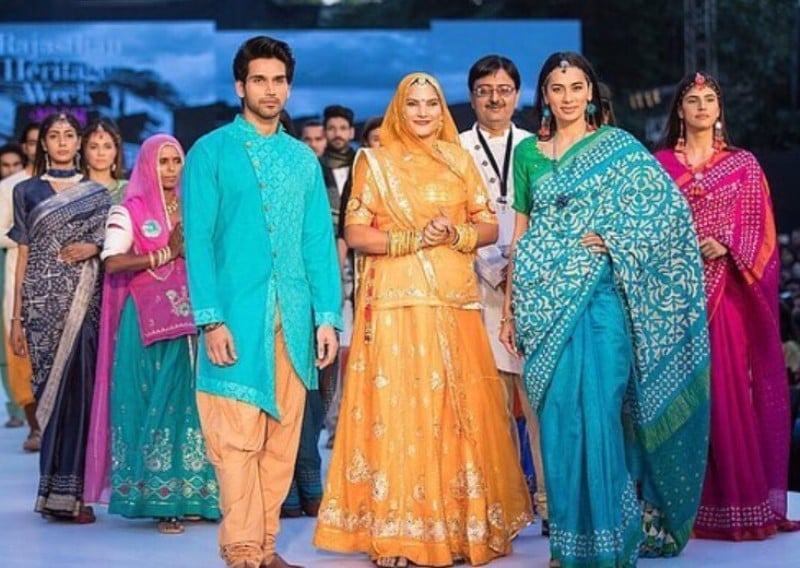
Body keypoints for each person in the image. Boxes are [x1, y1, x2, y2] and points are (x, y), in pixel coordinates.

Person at [314, 72, 532, 568]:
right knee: (403, 412)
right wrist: (410, 239)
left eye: (431, 103)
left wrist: (453, 232)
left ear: (442, 108)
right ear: (398, 108)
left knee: (457, 412)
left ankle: (461, 527)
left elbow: (488, 224)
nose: (423, 112)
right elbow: (355, 229)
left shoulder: (459, 160)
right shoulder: (375, 161)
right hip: (396, 303)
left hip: (453, 302)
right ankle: (400, 533)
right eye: (412, 104)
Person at [502, 53, 710, 567]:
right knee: (558, 423)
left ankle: (612, 542)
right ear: (544, 96)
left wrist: (614, 238)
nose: (567, 96)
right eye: (557, 87)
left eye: (576, 86)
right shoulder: (529, 153)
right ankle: (567, 546)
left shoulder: (618, 149)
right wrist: (509, 310)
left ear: (591, 92)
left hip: (601, 302)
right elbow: (520, 234)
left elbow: (668, 215)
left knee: (599, 414)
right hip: (541, 301)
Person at [182, 35, 341, 568]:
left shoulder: (301, 160)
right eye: (259, 80)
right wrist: (210, 319)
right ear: (240, 86)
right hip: (235, 319)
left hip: (293, 323)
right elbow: (198, 242)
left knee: (281, 443)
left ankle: (266, 546)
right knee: (234, 441)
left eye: (278, 80)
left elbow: (318, 243)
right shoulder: (211, 152)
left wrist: (326, 317)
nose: (270, 90)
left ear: (288, 87)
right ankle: (243, 548)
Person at [654, 71, 798, 541]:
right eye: (692, 99)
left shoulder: (743, 166)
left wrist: (727, 244)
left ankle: (737, 503)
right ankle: (681, 505)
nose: (700, 106)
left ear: (720, 110)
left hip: (728, 297)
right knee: (679, 395)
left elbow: (763, 237)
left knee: (727, 389)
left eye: (709, 99)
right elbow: (645, 230)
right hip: (674, 301)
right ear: (679, 109)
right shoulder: (658, 166)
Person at [83, 134, 220, 534]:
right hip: (148, 324)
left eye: (176, 161)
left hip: (194, 321)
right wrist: (165, 254)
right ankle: (161, 502)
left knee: (194, 408)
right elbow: (112, 261)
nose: (171, 169)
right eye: (163, 162)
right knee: (157, 405)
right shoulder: (129, 210)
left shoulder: (196, 207)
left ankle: (195, 495)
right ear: (146, 164)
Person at [9, 112, 111, 522]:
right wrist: (16, 318)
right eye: (55, 136)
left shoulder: (98, 194)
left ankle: (77, 496)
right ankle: (51, 495)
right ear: (43, 144)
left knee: (81, 397)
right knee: (48, 401)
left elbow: (110, 246)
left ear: (80, 142)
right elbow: (24, 255)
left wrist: (92, 247)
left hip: (85, 306)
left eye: (70, 135)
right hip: (40, 309)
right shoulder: (27, 191)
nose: (63, 142)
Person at [458, 54, 545, 531]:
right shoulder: (453, 149)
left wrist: (523, 265)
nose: (495, 98)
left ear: (517, 94)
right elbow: (449, 218)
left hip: (531, 287)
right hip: (475, 285)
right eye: (485, 89)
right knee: (488, 404)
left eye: (504, 89)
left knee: (537, 400)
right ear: (473, 96)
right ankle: (504, 505)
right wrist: (490, 263)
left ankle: (551, 503)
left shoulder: (538, 147)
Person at [0, 123, 40, 450]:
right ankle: (34, 425)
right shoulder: (11, 186)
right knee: (21, 357)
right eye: (32, 142)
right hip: (20, 278)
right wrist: (30, 237)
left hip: (64, 280)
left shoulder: (71, 185)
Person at [81, 118, 127, 204]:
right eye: (93, 147)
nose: (101, 153)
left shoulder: (129, 190)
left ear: (116, 151)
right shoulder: (74, 192)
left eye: (107, 147)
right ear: (84, 151)